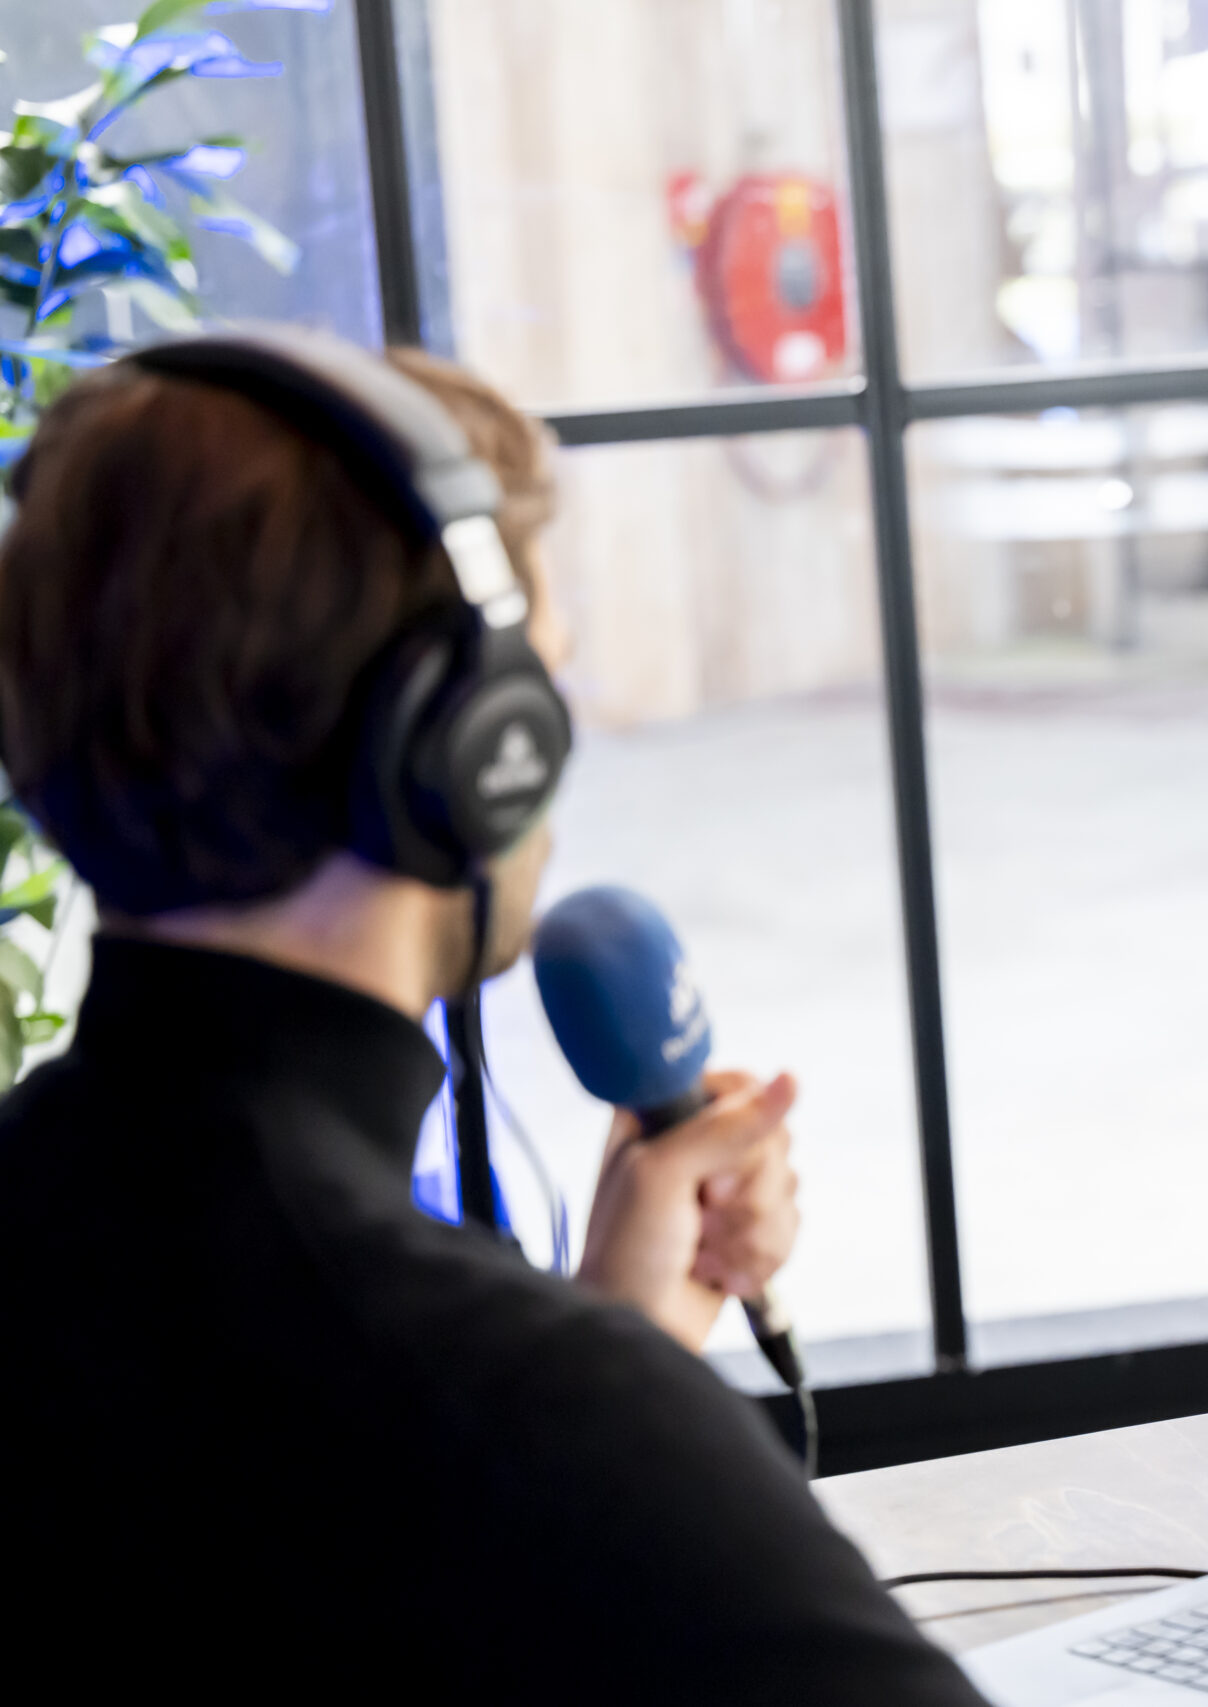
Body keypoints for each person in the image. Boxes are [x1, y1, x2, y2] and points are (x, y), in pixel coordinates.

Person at [0, 333, 986, 1701]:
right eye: (550, 685)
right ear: (468, 747)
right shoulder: (514, 1406)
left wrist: (618, 1338)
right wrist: (609, 1397)